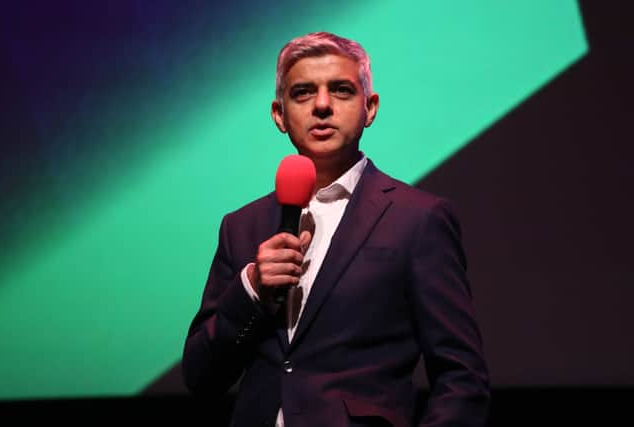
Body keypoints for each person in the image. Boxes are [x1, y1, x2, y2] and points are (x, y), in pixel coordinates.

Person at [182, 31, 490, 426]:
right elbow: (202, 377)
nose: (322, 105)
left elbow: (462, 376)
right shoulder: (241, 226)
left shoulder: (418, 219)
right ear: (279, 115)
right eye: (303, 93)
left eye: (341, 90)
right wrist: (252, 290)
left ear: (370, 108)